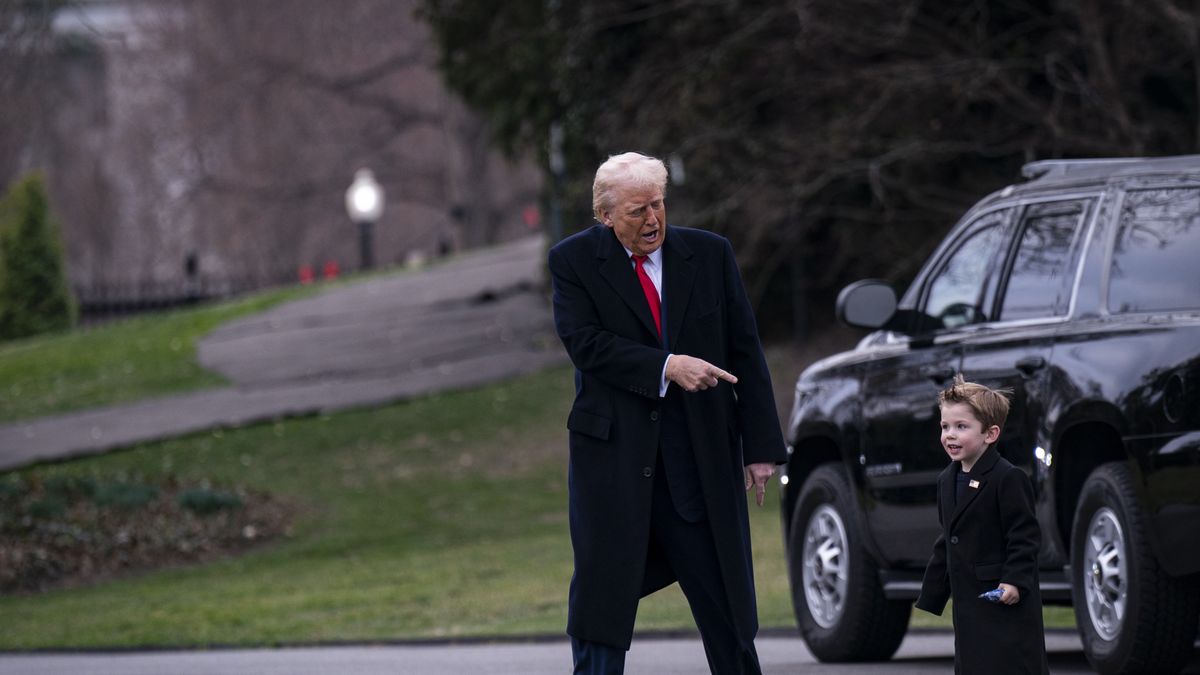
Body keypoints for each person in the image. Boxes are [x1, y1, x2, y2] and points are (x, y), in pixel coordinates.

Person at [548, 152, 786, 674]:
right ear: (605, 215)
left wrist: (762, 448)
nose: (653, 219)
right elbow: (585, 345)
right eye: (637, 210)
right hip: (614, 465)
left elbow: (745, 348)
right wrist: (667, 365)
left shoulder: (709, 254)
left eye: (658, 204)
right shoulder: (573, 262)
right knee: (601, 607)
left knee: (728, 608)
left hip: (698, 464)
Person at [916, 375, 1049, 675]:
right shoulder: (946, 480)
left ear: (990, 434)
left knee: (1009, 665)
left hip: (1002, 599)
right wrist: (933, 591)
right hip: (969, 604)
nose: (950, 435)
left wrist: (1014, 580)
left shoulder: (1007, 478)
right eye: (945, 427)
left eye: (961, 427)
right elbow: (948, 537)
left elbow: (1024, 537)